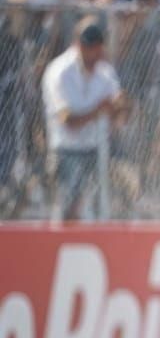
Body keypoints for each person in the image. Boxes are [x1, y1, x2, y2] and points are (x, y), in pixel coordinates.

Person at [41, 16, 127, 222]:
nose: (94, 52)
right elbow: (68, 120)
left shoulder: (105, 70)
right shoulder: (59, 71)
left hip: (97, 150)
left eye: (97, 47)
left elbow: (120, 106)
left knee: (105, 207)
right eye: (89, 47)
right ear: (77, 43)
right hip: (66, 152)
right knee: (67, 212)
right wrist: (100, 110)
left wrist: (120, 105)